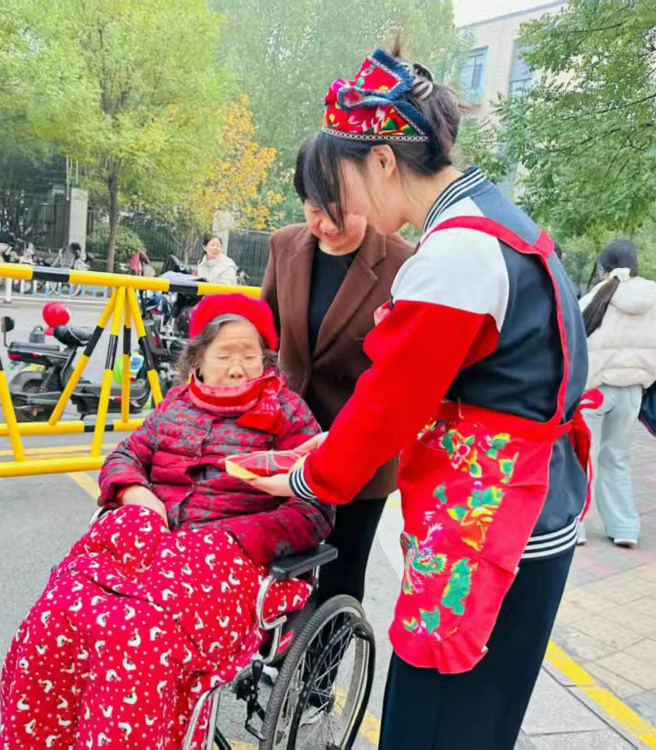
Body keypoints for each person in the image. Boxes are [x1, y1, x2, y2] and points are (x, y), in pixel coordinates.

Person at [247, 41, 593, 750]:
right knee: (477, 717)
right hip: (522, 500)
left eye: (345, 181)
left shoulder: (457, 252)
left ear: (381, 160)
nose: (348, 205)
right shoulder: (495, 222)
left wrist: (305, 475)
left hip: (486, 521)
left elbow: (389, 405)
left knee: (434, 719)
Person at [0, 293, 333, 750]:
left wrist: (232, 537)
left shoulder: (288, 413)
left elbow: (314, 508)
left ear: (266, 360)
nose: (239, 369)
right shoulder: (175, 404)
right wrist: (135, 494)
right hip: (148, 541)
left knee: (136, 636)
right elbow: (124, 456)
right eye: (225, 356)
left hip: (229, 558)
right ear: (197, 360)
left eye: (250, 357)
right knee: (57, 613)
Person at [262, 140, 414, 604]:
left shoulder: (404, 263)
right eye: (314, 209)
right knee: (275, 569)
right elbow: (265, 336)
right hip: (286, 443)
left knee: (339, 577)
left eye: (339, 211)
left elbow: (404, 374)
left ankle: (328, 653)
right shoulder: (285, 244)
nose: (325, 225)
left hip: (360, 452)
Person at [578, 239, 656, 547]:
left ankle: (574, 527)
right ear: (634, 265)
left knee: (583, 458)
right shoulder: (653, 304)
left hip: (593, 391)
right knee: (617, 458)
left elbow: (573, 346)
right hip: (631, 392)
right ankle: (624, 527)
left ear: (602, 267)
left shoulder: (593, 298)